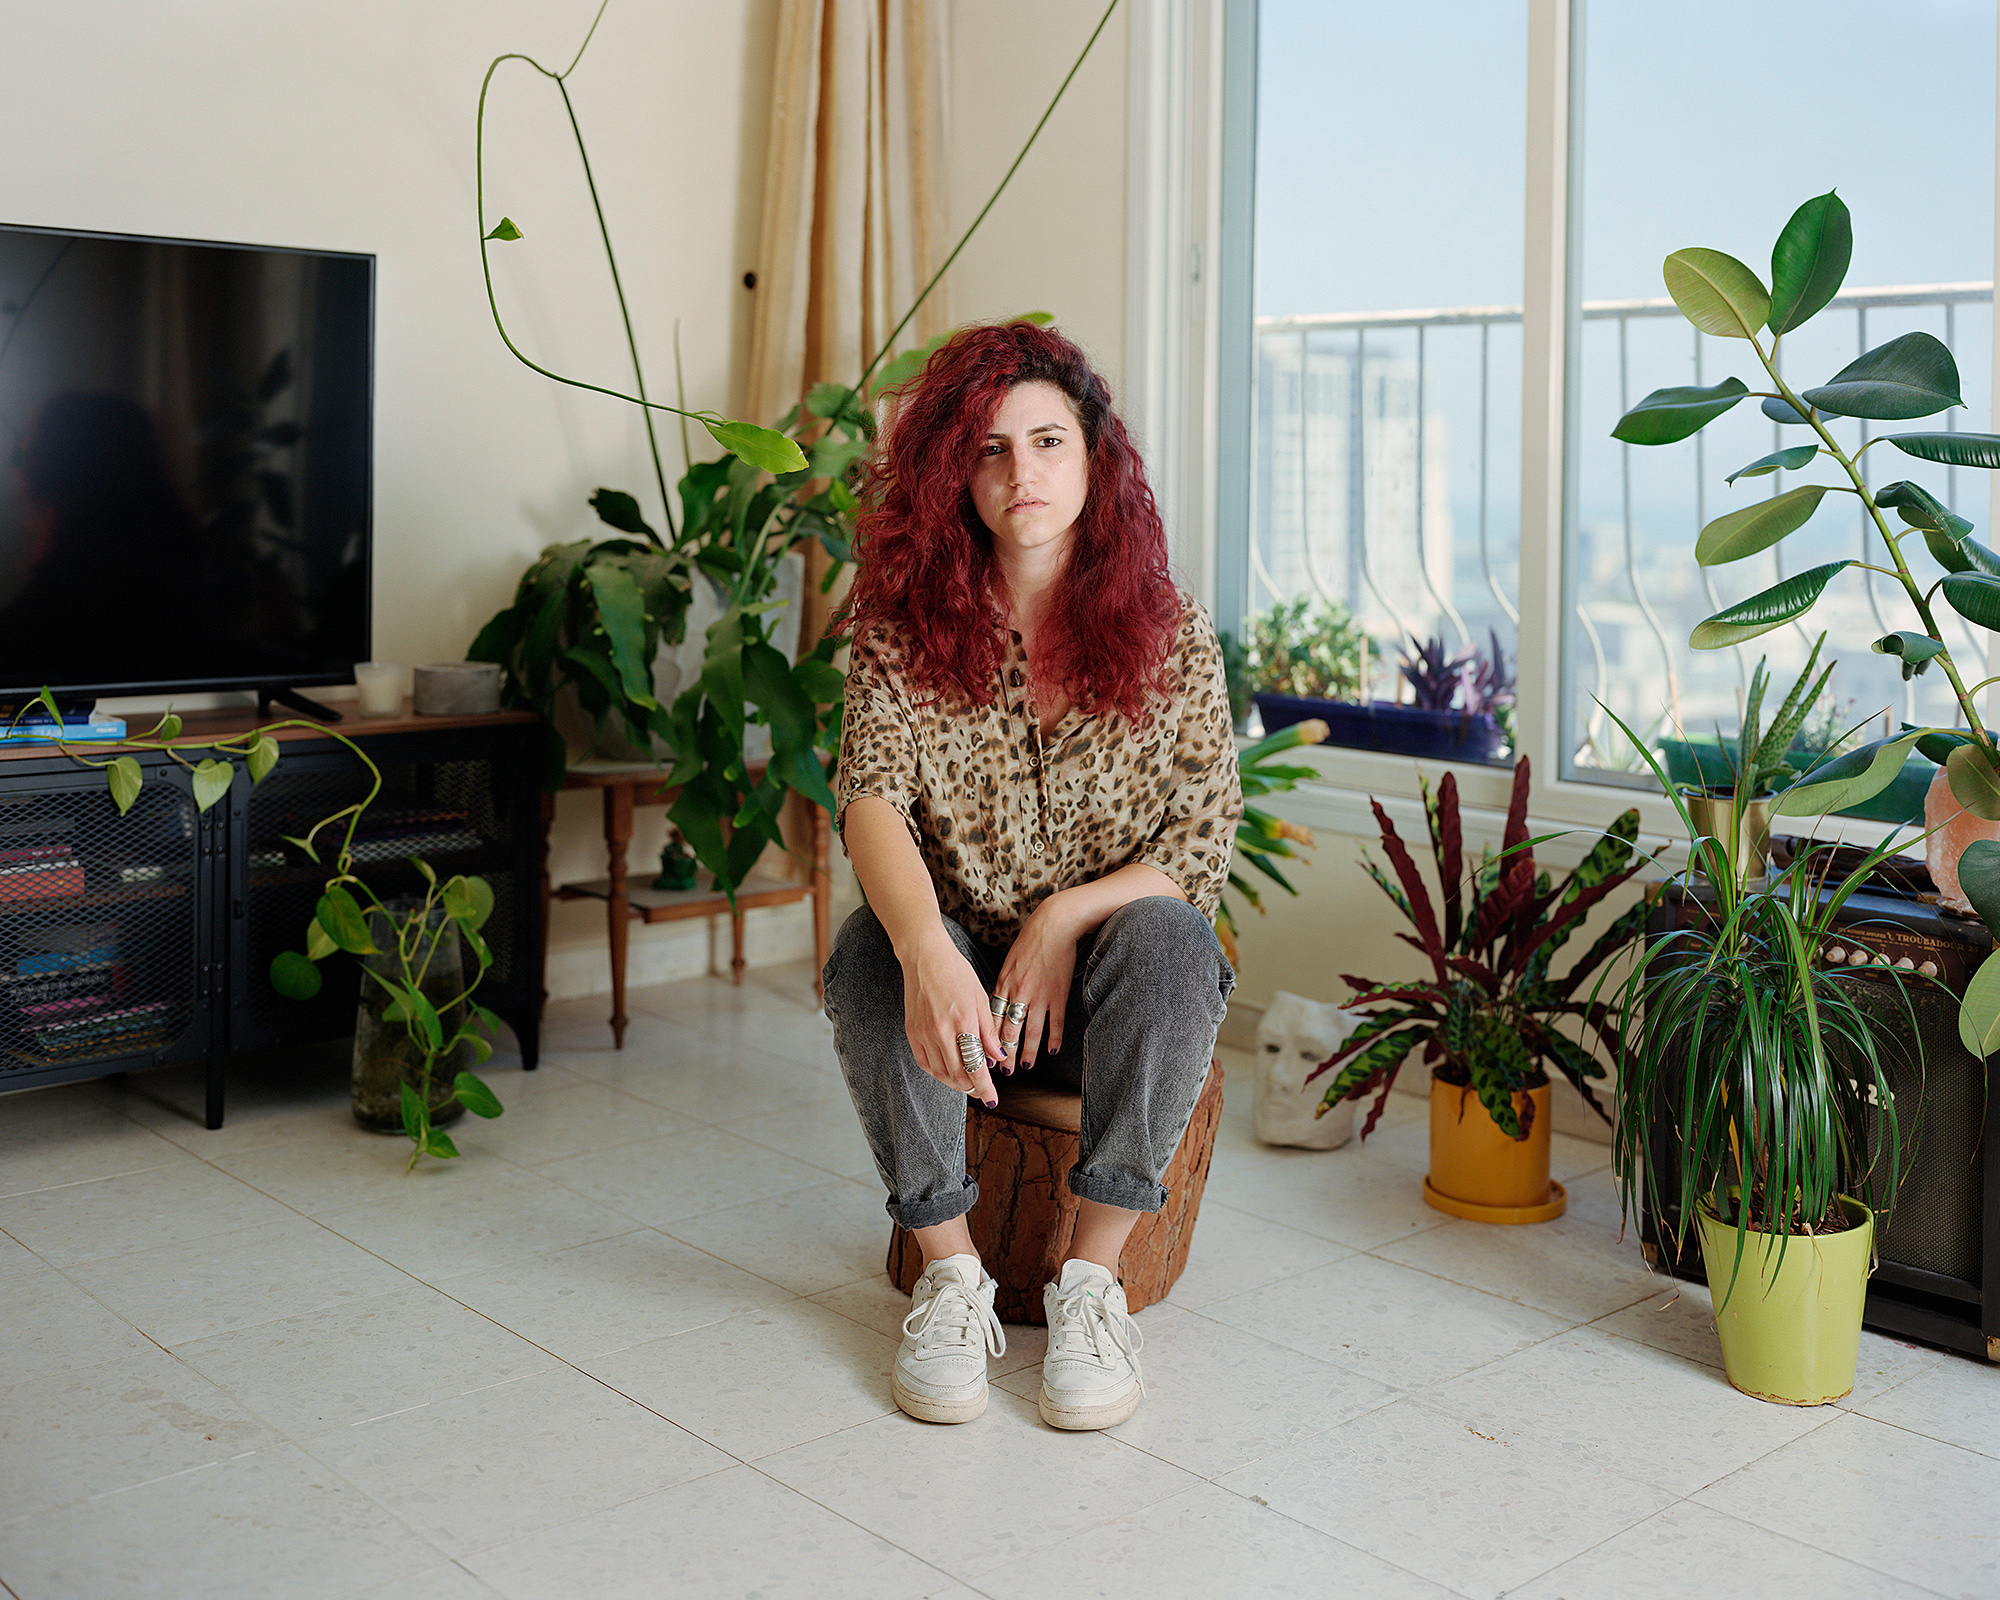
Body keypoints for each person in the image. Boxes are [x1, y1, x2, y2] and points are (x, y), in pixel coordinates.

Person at [824, 320, 1240, 1431]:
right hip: (960, 999)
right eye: (990, 449)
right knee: (870, 948)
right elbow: (869, 795)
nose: (1022, 473)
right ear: (951, 473)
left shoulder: (1169, 635)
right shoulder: (897, 632)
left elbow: (1200, 841)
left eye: (1047, 440)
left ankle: (1093, 1284)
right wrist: (925, 951)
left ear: (1094, 458)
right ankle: (951, 1274)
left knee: (1170, 940)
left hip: (1099, 991)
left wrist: (1063, 916)